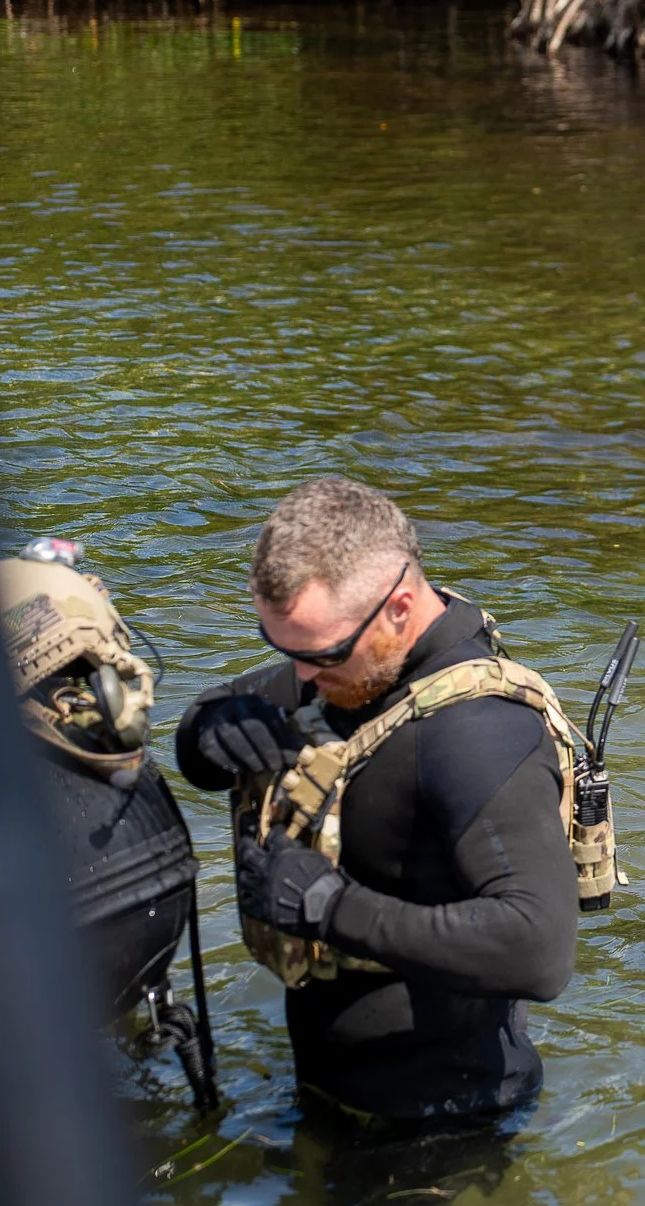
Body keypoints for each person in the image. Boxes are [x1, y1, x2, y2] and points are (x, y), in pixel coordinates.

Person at [174, 477, 578, 1123]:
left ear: (398, 606)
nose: (301, 677)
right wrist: (209, 729)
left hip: (442, 1129)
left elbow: (541, 949)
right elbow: (204, 736)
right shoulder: (354, 672)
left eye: (323, 653)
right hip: (334, 1095)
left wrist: (328, 905)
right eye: (281, 648)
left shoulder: (474, 734)